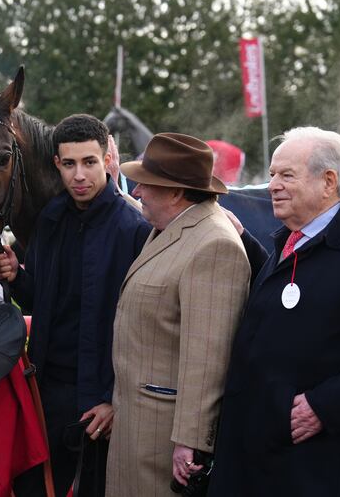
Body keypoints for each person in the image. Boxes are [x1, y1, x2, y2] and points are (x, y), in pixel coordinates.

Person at [209, 127, 340, 496]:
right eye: (271, 175)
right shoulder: (289, 240)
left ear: (328, 181)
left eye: (286, 175)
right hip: (258, 457)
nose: (272, 185)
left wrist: (325, 406)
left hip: (314, 468)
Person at [0, 114, 151, 496]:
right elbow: (41, 302)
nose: (79, 175)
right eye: (69, 164)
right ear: (56, 165)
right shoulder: (49, 221)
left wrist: (112, 399)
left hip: (102, 401)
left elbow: (142, 331)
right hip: (47, 392)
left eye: (89, 162)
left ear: (106, 161)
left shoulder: (135, 229)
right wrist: (16, 276)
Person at [106, 133, 250, 497]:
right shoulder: (170, 225)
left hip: (165, 442)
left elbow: (208, 358)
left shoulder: (214, 244)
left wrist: (191, 442)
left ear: (175, 192)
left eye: (145, 184)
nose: (136, 192)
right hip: (139, 426)